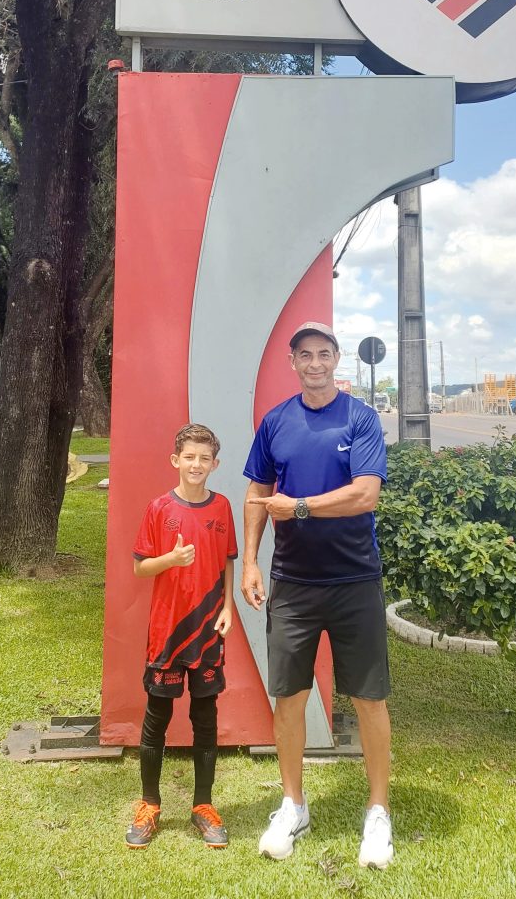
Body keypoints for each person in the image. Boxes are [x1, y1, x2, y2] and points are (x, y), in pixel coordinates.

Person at [241, 322, 393, 870]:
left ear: (336, 359)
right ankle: (293, 804)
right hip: (294, 583)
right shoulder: (276, 421)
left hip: (355, 579)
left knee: (368, 697)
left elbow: (365, 494)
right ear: (293, 362)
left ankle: (378, 811)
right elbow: (258, 492)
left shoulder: (360, 418)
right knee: (289, 697)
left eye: (323, 353)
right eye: (304, 355)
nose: (314, 363)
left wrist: (300, 506)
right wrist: (252, 563)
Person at [126, 423, 237, 850]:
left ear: (215, 464)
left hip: (208, 630)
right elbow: (139, 567)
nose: (196, 464)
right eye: (188, 457)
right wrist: (169, 558)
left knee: (205, 718)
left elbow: (229, 560)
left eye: (204, 458)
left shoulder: (222, 508)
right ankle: (150, 804)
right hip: (167, 630)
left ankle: (203, 806)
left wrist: (228, 606)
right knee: (158, 718)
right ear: (176, 461)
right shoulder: (159, 509)